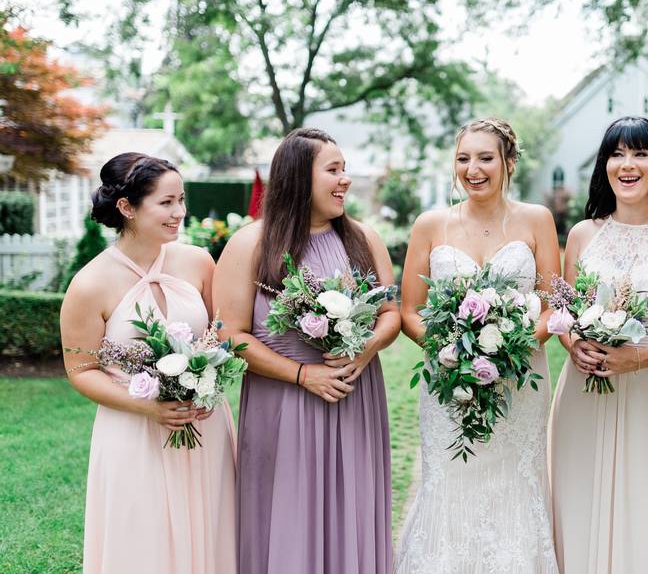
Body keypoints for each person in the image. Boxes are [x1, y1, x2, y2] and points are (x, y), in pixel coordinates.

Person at [215, 128, 399, 573]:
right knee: (289, 515)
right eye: (332, 170)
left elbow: (391, 312)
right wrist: (302, 375)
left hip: (354, 399)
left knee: (352, 507)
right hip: (283, 404)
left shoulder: (364, 238)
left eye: (345, 169)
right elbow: (229, 334)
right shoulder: (251, 245)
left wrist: (366, 348)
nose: (345, 180)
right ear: (299, 177)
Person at [394, 118, 562, 573]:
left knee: (513, 482)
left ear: (508, 162)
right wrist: (452, 352)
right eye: (464, 158)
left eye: (486, 158)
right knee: (450, 480)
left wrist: (512, 346)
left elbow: (552, 305)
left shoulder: (537, 220)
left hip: (520, 381)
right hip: (450, 381)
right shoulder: (430, 225)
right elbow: (410, 309)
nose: (474, 169)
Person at [60, 153, 236, 573]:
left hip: (203, 425)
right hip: (133, 433)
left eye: (182, 199)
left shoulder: (198, 261)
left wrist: (209, 378)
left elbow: (220, 333)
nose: (180, 213)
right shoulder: (89, 284)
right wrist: (148, 405)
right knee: (143, 541)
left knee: (212, 531)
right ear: (127, 208)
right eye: (166, 203)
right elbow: (80, 371)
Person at [549, 117, 648, 573]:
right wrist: (573, 343)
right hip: (584, 391)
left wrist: (640, 357)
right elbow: (565, 314)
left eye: (640, 153)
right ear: (604, 166)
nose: (628, 164)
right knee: (580, 499)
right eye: (617, 154)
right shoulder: (583, 234)